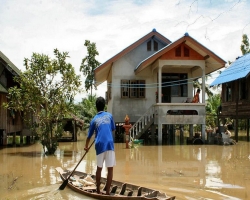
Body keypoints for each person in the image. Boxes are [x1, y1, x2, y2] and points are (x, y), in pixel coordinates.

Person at [84, 96, 116, 195]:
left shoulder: (94, 119)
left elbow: (89, 136)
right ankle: (107, 192)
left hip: (99, 144)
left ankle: (98, 190)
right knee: (110, 169)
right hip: (109, 143)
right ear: (104, 106)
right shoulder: (109, 116)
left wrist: (86, 147)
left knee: (99, 168)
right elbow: (112, 129)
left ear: (96, 107)